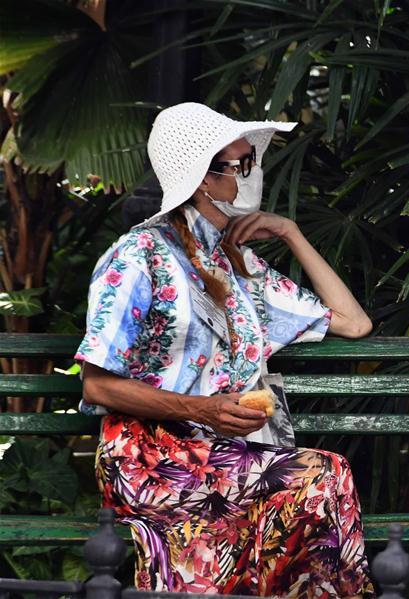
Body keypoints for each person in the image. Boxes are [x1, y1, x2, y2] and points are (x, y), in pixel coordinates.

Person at [75, 103, 374, 598]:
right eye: (234, 167)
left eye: (248, 164)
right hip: (148, 456)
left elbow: (353, 322)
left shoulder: (237, 265)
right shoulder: (137, 256)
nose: (246, 177)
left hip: (225, 454)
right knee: (322, 475)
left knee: (311, 486)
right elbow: (96, 383)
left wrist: (289, 232)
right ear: (200, 180)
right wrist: (202, 410)